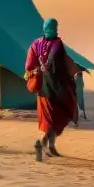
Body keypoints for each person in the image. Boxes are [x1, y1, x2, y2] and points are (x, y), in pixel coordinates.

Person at [24, 17, 78, 158]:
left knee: (52, 119)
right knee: (54, 119)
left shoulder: (35, 45)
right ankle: (41, 143)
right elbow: (66, 65)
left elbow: (28, 66)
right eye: (55, 27)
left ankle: (51, 146)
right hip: (54, 89)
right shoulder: (57, 45)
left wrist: (37, 70)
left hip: (44, 89)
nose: (56, 30)